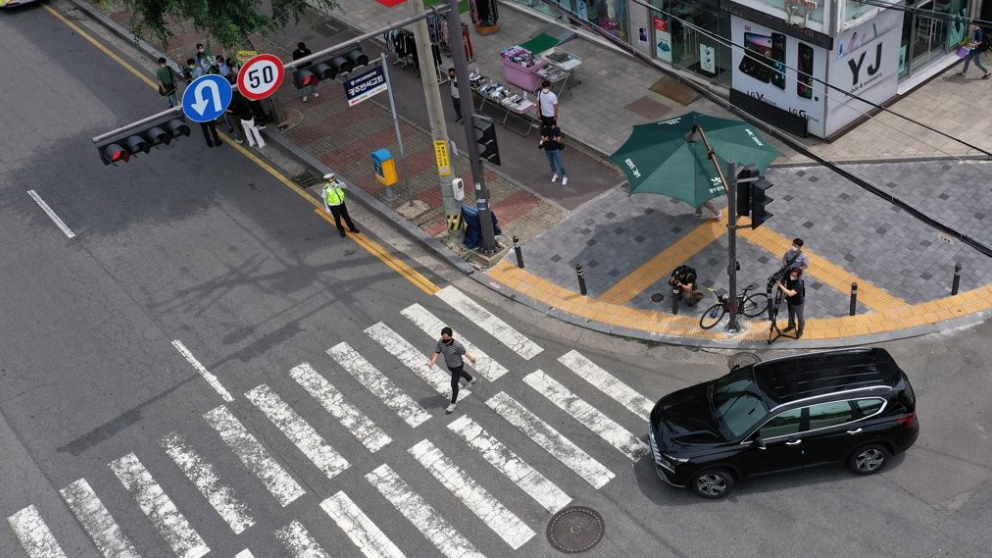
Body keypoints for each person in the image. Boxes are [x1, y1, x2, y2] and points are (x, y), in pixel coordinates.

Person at [427, 327, 477, 414]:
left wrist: (471, 358)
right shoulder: (441, 342)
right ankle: (471, 379)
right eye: (444, 337)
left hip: (458, 366)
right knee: (460, 373)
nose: (445, 339)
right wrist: (432, 362)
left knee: (454, 384)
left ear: (451, 336)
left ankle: (453, 403)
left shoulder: (457, 345)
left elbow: (465, 353)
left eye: (447, 337)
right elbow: (437, 353)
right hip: (450, 365)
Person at [322, 173, 359, 238]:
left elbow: (345, 187)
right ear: (327, 181)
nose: (333, 182)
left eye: (333, 180)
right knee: (337, 219)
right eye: (331, 181)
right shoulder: (325, 188)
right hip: (334, 206)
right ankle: (341, 231)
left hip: (342, 204)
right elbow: (324, 198)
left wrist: (340, 183)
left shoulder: (337, 183)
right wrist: (326, 207)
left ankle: (352, 228)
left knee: (347, 217)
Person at [776, 267, 806, 338]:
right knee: (790, 314)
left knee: (800, 317)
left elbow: (790, 293)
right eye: (791, 274)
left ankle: (800, 330)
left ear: (798, 276)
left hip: (798, 303)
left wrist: (780, 285)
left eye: (794, 276)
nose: (792, 276)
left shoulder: (799, 284)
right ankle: (791, 326)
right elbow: (782, 276)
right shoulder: (788, 276)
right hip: (790, 301)